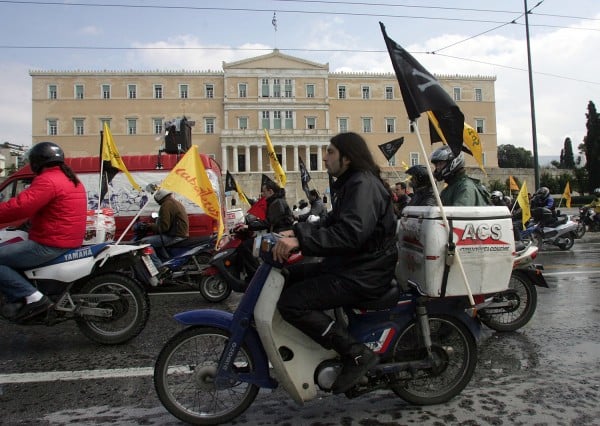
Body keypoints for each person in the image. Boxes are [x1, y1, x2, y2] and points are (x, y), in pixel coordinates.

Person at [272, 132, 398, 395]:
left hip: (364, 273)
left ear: (347, 158)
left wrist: (301, 242)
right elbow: (331, 222)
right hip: (352, 265)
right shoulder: (351, 183)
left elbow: (351, 233)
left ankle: (356, 354)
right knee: (288, 276)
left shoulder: (362, 185)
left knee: (292, 302)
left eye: (330, 152)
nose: (325, 157)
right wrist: (296, 232)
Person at [0, 142, 87, 320]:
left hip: (50, 243)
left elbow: (20, 206)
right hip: (66, 239)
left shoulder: (48, 180)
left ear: (37, 161)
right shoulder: (69, 179)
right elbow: (54, 210)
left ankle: (33, 297)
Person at [140, 189, 189, 268]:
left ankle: (159, 267)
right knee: (156, 240)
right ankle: (165, 260)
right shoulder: (175, 203)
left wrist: (150, 226)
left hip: (175, 235)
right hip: (180, 233)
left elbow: (164, 227)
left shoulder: (166, 205)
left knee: (144, 243)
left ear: (159, 198)